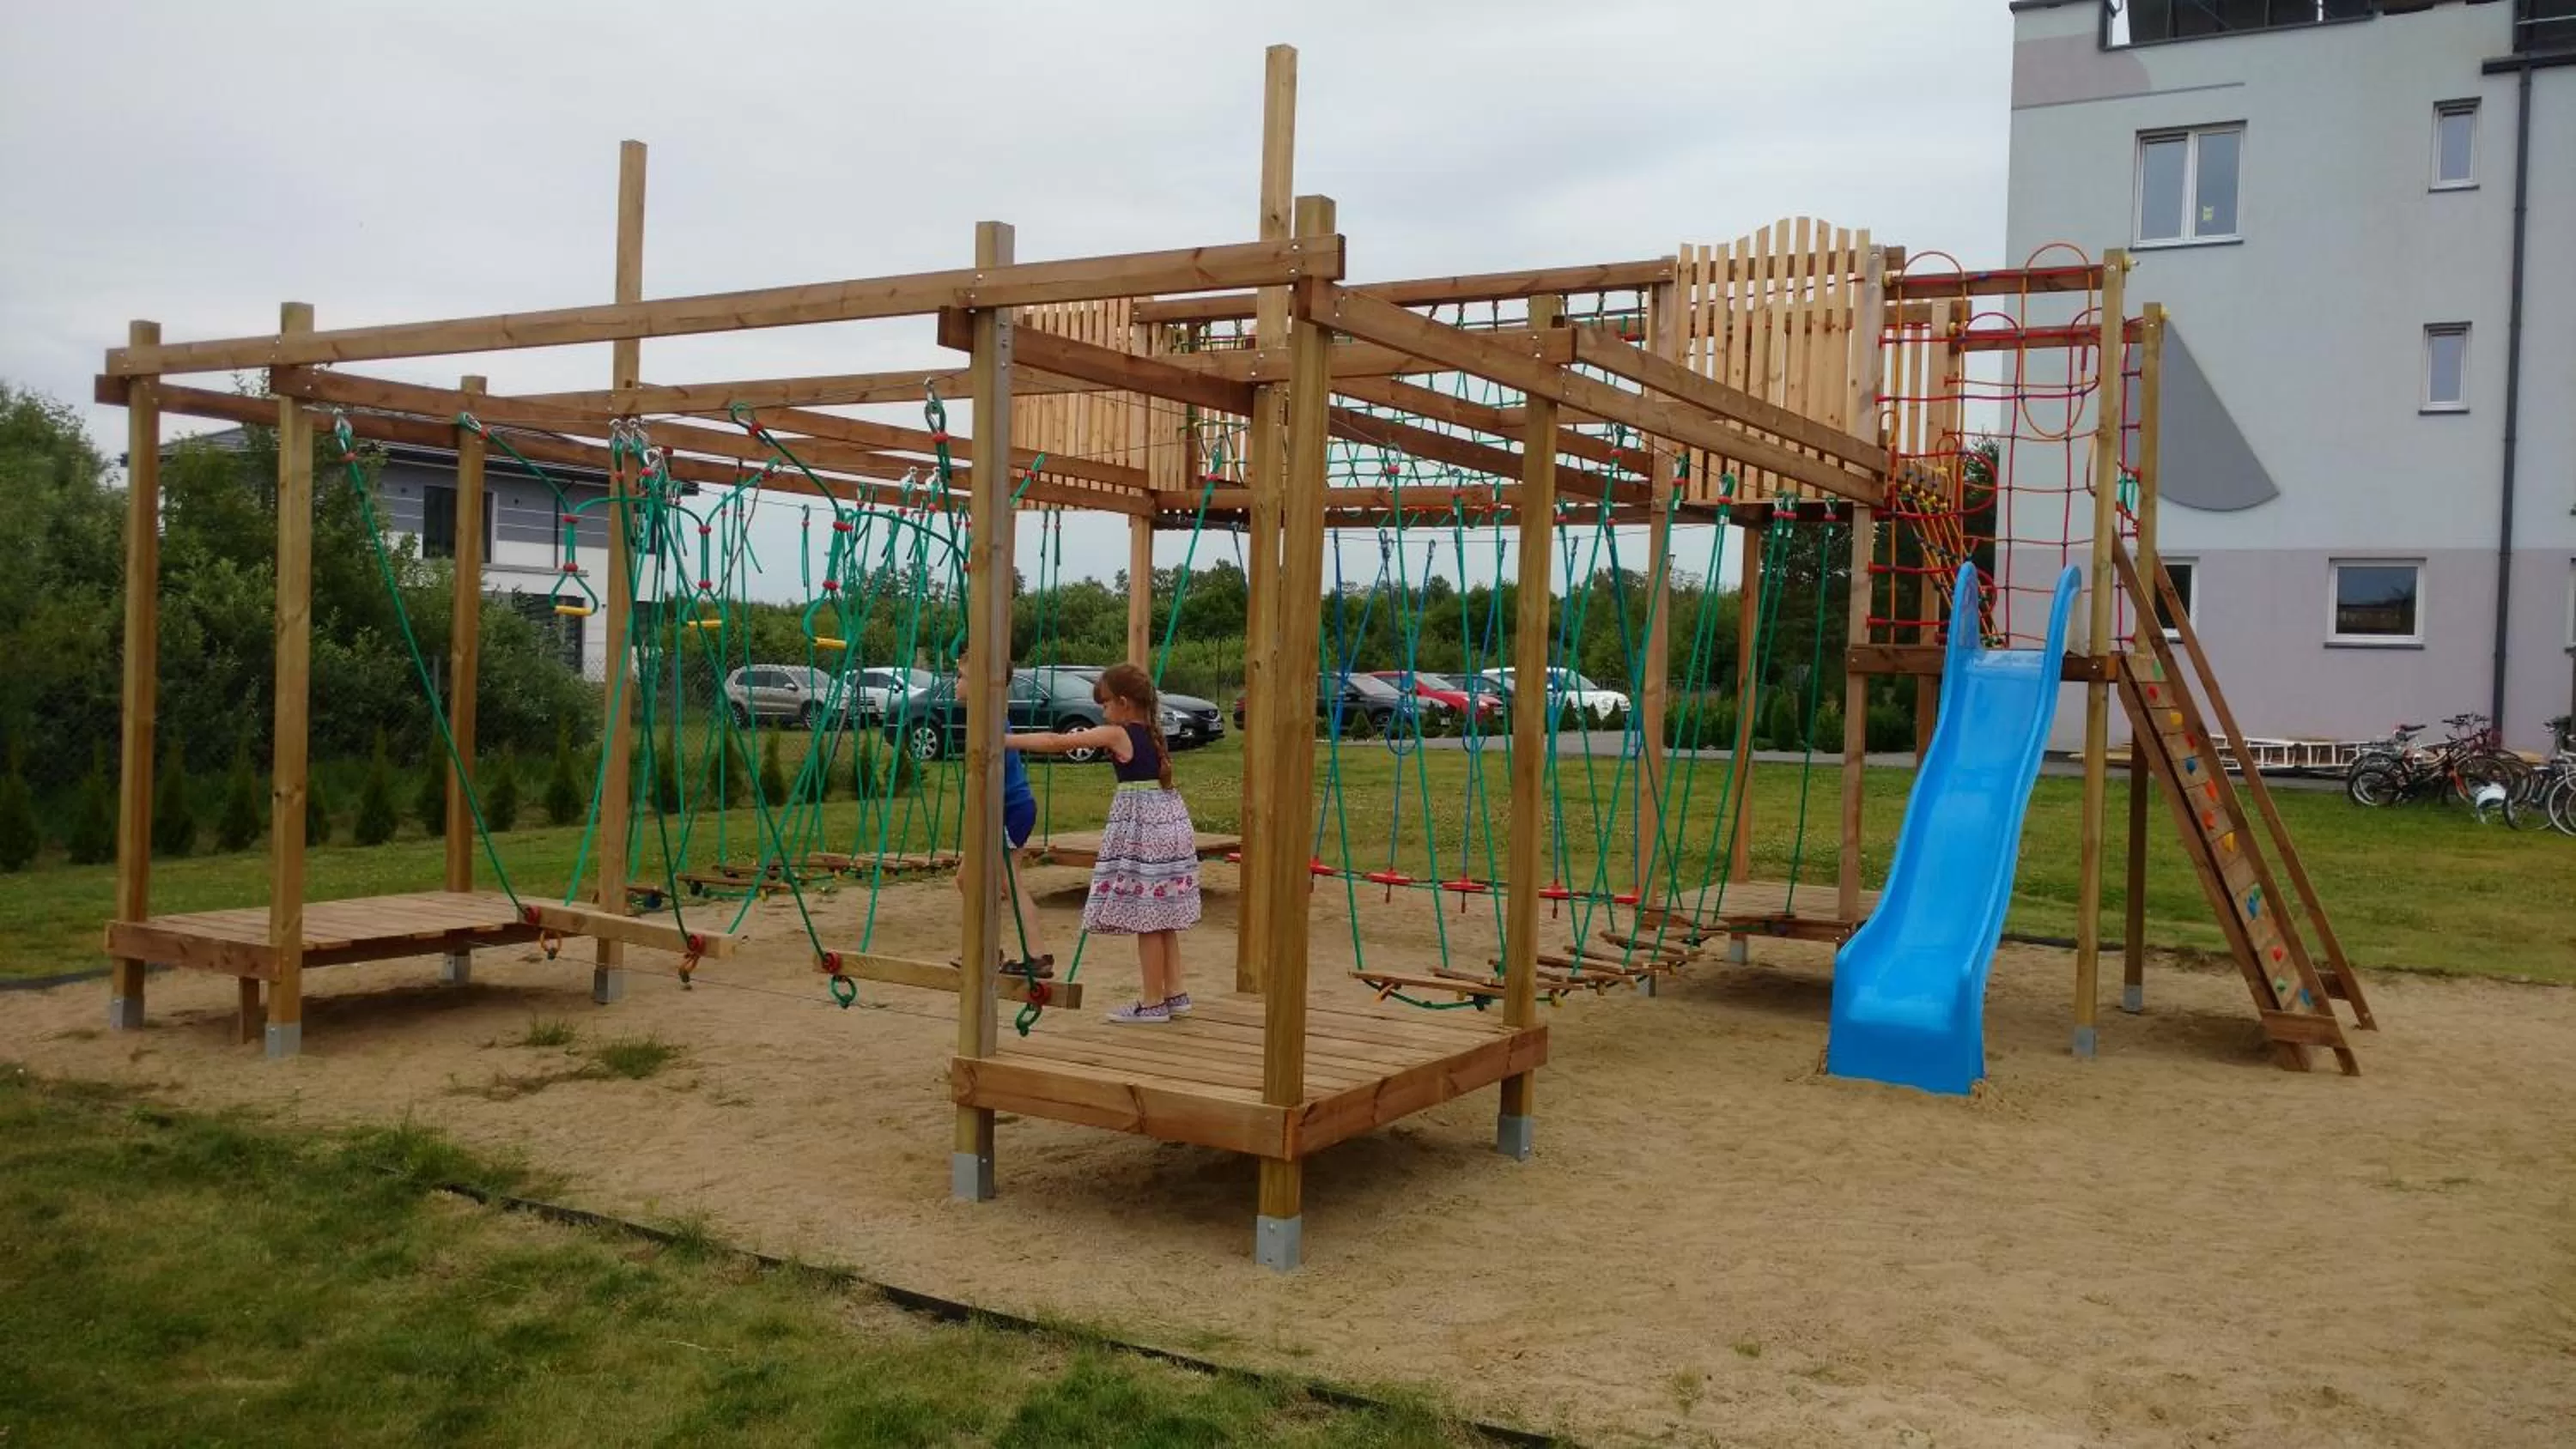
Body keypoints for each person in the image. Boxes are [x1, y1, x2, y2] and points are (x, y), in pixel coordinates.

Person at [1005, 662, 1200, 1023]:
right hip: (1169, 827)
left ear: (1123, 703)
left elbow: (1058, 742)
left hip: (1146, 835)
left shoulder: (1117, 734)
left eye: (1105, 704)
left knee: (1148, 919)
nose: (1102, 711)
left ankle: (1153, 1002)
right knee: (1162, 916)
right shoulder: (1152, 733)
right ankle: (1174, 992)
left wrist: (1004, 740)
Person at [952, 660, 1050, 976]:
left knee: (1009, 881)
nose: (956, 682)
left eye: (962, 676)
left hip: (1012, 809)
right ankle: (987, 951)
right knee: (967, 879)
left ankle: (1037, 955)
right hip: (1001, 809)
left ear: (982, 684)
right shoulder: (984, 716)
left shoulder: (991, 718)